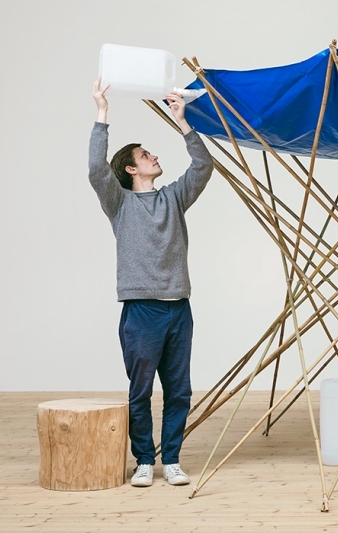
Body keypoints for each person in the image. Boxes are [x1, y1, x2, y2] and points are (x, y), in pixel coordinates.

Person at [88, 78, 213, 487]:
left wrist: (183, 122)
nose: (154, 156)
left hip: (179, 307)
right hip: (141, 310)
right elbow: (96, 170)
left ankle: (171, 459)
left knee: (179, 391)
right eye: (145, 155)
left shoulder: (174, 198)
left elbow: (203, 166)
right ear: (131, 169)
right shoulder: (119, 204)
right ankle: (144, 459)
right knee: (140, 391)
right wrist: (102, 112)